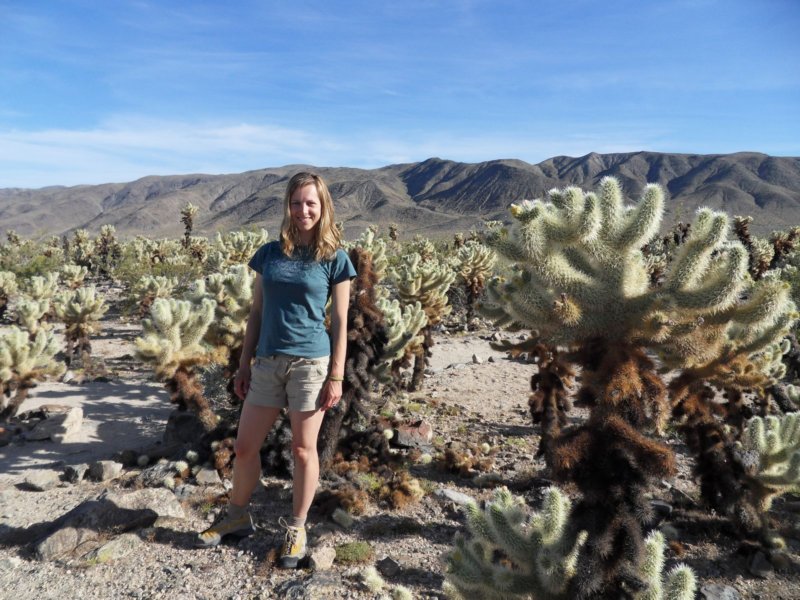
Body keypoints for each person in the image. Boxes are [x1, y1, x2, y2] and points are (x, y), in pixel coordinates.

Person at [197, 172, 356, 568]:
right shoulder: (270, 254)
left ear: (323, 208)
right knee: (245, 446)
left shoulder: (335, 259)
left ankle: (297, 528)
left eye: (311, 204)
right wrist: (244, 362)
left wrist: (336, 375)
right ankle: (237, 516)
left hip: (310, 364)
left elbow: (339, 321)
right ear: (287, 206)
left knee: (303, 450)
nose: (304, 210)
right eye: (297, 203)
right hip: (267, 362)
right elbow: (257, 312)